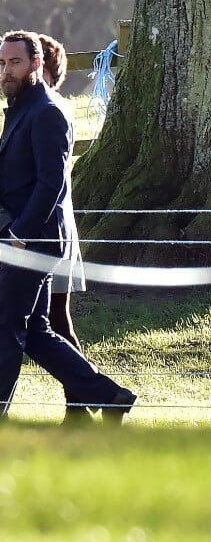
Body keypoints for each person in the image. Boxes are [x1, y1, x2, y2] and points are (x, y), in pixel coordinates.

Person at [0, 29, 136, 424]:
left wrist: (21, 234)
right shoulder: (21, 108)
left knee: (6, 327)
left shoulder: (46, 111)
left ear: (36, 64)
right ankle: (111, 396)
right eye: (3, 63)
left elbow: (52, 182)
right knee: (37, 332)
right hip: (22, 239)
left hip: (33, 241)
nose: (6, 71)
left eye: (15, 62)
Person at [39, 33, 90, 422]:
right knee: (56, 322)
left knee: (55, 322)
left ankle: (91, 398)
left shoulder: (48, 112)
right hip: (48, 230)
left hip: (46, 232)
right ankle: (88, 402)